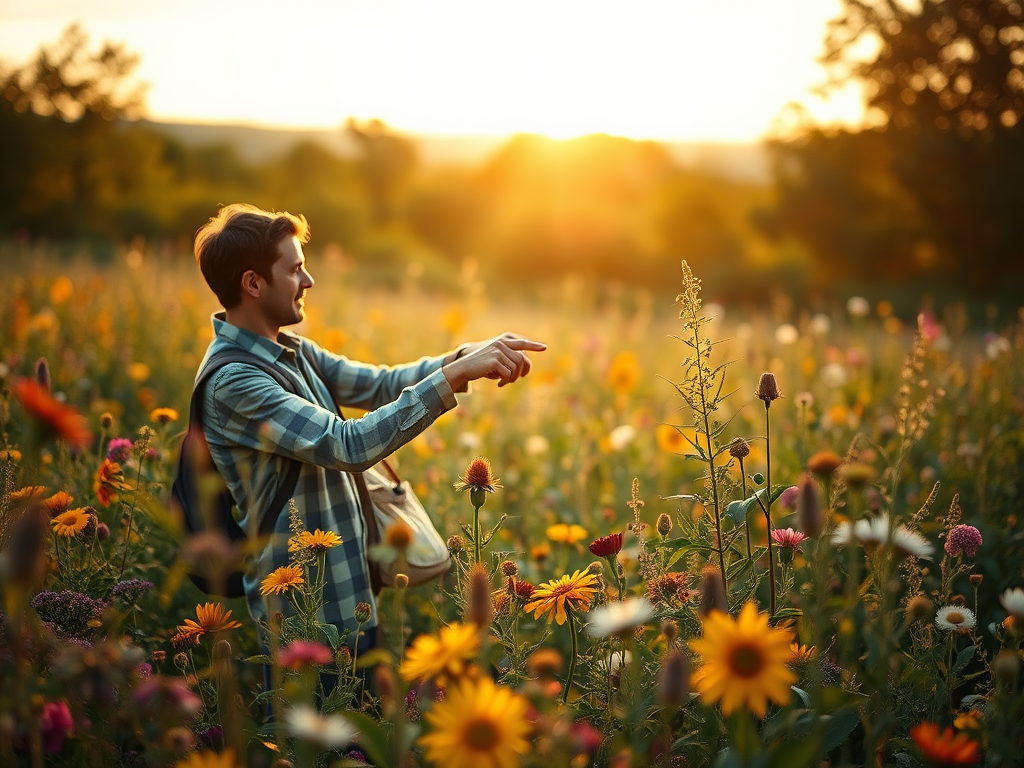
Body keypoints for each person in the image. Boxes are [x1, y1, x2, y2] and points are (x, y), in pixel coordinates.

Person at [191, 202, 544, 656]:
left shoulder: (291, 350)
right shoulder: (235, 382)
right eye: (295, 269)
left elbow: (380, 384)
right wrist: (453, 378)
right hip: (305, 618)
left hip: (351, 593)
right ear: (254, 283)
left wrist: (462, 359)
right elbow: (345, 444)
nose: (308, 281)